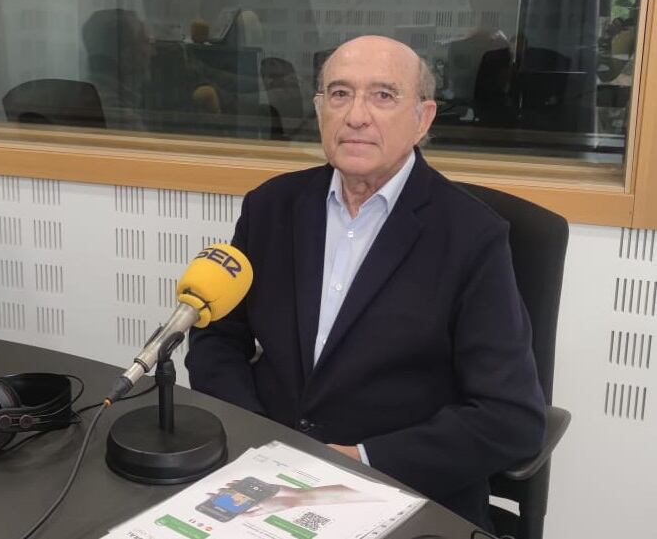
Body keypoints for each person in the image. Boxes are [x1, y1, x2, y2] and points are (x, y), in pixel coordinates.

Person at [185, 35, 546, 528]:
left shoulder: (473, 237)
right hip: (267, 476)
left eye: (383, 95)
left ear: (423, 118)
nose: (356, 115)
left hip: (401, 491)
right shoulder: (271, 207)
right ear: (320, 111)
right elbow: (216, 339)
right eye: (339, 94)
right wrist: (259, 438)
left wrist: (361, 461)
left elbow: (511, 418)